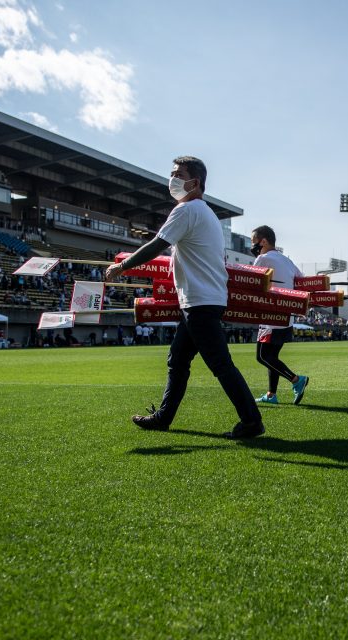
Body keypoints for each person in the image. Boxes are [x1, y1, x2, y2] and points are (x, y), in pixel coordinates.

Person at [105, 156, 264, 439]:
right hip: (202, 300)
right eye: (172, 173)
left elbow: (157, 245)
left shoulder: (186, 210)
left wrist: (122, 266)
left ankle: (252, 422)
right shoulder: (205, 213)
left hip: (200, 301)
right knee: (177, 360)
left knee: (219, 364)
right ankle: (164, 417)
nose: (172, 179)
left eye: (178, 174)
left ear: (195, 182)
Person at [249, 225, 309, 405]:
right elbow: (301, 281)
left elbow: (254, 284)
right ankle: (271, 394)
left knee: (262, 356)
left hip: (269, 318)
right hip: (287, 317)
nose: (253, 247)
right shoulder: (287, 260)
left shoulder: (262, 259)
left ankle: (297, 380)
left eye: (254, 243)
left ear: (264, 241)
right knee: (272, 357)